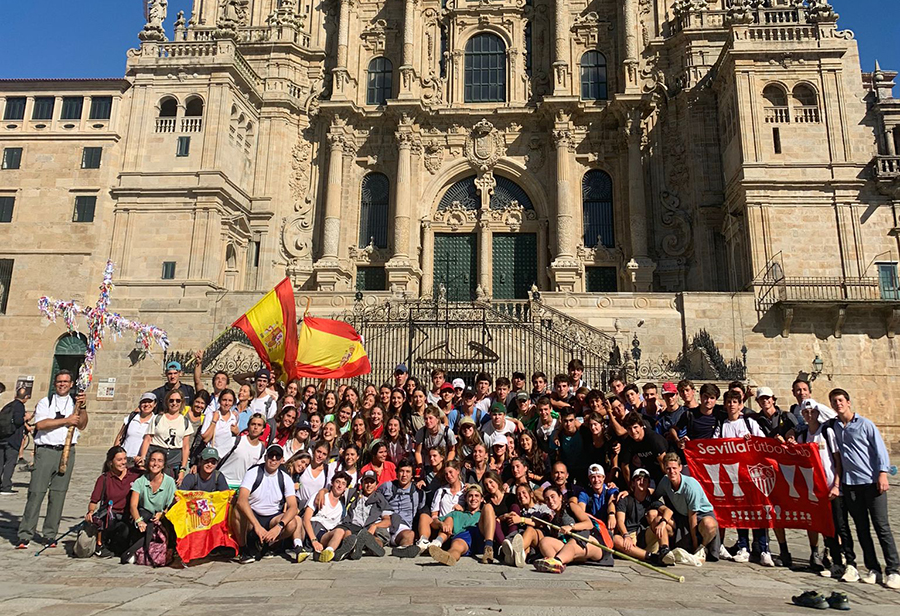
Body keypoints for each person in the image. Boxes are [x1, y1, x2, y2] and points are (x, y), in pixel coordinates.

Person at [830, 388, 900, 588]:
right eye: (834, 401)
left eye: (841, 400)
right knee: (862, 528)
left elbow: (880, 450)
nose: (838, 404)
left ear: (848, 402)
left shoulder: (865, 424)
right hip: (851, 484)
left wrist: (883, 474)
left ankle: (893, 569)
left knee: (882, 526)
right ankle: (873, 569)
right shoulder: (835, 427)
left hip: (871, 482)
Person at [17, 370, 88, 550]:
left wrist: (83, 408)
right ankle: (25, 534)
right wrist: (66, 420)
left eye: (65, 381)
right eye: (59, 381)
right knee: (36, 492)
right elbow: (41, 425)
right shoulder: (45, 402)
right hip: (46, 451)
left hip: (67, 451)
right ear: (55, 383)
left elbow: (82, 424)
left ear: (71, 384)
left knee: (58, 495)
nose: (62, 384)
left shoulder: (75, 403)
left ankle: (50, 535)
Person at [793, 398, 857, 581]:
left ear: (817, 412)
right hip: (817, 490)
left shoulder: (827, 432)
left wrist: (837, 485)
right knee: (826, 527)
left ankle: (850, 563)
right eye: (805, 413)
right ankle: (835, 563)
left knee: (841, 526)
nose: (809, 415)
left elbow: (837, 460)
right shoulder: (803, 436)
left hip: (832, 488)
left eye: (812, 411)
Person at [713, 390, 768, 565]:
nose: (731, 405)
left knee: (756, 511)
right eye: (729, 402)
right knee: (740, 512)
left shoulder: (749, 423)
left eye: (735, 402)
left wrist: (751, 441)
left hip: (751, 475)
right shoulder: (722, 426)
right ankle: (743, 546)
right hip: (733, 476)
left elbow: (763, 442)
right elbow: (713, 447)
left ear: (740, 405)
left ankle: (763, 547)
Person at [749, 385, 798, 567]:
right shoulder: (756, 419)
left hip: (787, 469)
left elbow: (798, 435)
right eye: (762, 399)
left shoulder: (786, 417)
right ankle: (782, 550)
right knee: (772, 510)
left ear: (773, 399)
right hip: (767, 471)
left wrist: (787, 440)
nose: (765, 402)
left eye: (768, 398)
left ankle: (818, 552)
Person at [234, 444, 299, 563]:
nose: (274, 459)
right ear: (265, 457)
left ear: (282, 460)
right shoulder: (253, 472)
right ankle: (243, 549)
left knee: (292, 523)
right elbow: (242, 500)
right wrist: (257, 526)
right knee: (238, 510)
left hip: (273, 518)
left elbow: (293, 507)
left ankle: (270, 544)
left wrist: (279, 527)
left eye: (277, 456)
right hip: (253, 517)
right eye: (271, 455)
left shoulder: (285, 478)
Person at [653, 453, 720, 564]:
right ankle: (664, 550)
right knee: (657, 518)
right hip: (681, 515)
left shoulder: (690, 486)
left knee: (709, 524)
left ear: (680, 468)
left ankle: (701, 547)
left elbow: (692, 517)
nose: (671, 472)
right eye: (668, 468)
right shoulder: (664, 481)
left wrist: (695, 544)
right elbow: (655, 497)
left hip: (699, 514)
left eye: (674, 468)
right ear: (664, 469)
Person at [532, 485, 604, 573]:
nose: (550, 501)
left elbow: (589, 524)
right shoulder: (554, 519)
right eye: (547, 499)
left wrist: (571, 527)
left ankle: (558, 560)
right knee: (545, 542)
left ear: (560, 497)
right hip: (570, 547)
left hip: (588, 541)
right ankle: (557, 564)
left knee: (573, 542)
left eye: (552, 497)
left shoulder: (571, 506)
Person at [324, 469, 392, 561]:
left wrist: (375, 526)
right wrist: (322, 491)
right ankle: (351, 548)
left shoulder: (380, 499)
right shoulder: (352, 493)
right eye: (366, 482)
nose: (369, 485)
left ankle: (372, 547)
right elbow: (335, 489)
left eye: (371, 482)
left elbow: (387, 521)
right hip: (352, 525)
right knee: (347, 532)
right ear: (362, 483)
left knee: (376, 539)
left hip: (368, 529)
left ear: (376, 484)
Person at [85, 446, 139, 557]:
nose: (123, 462)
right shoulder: (104, 479)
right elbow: (94, 500)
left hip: (127, 515)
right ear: (111, 462)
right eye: (119, 460)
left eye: (125, 459)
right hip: (109, 515)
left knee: (124, 532)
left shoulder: (134, 476)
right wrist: (90, 512)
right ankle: (100, 544)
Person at [124, 449, 176, 562]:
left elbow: (172, 504)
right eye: (153, 460)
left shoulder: (170, 482)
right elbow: (133, 505)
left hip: (163, 518)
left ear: (163, 465)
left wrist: (162, 514)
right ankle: (141, 551)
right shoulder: (140, 481)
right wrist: (139, 521)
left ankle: (136, 551)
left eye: (159, 461)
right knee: (144, 521)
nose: (156, 464)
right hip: (145, 517)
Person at [612, 468, 669, 565]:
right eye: (638, 479)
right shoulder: (625, 499)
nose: (642, 482)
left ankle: (665, 551)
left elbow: (668, 511)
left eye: (645, 480)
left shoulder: (651, 500)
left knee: (659, 519)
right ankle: (650, 557)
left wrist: (663, 522)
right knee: (616, 539)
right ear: (633, 483)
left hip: (645, 534)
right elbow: (620, 520)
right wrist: (626, 535)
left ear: (648, 484)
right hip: (630, 536)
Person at [138, 389, 193, 483]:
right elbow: (147, 439)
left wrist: (183, 469)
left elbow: (185, 446)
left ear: (182, 402)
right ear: (167, 402)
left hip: (174, 462)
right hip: (155, 459)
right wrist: (142, 458)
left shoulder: (185, 422)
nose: (174, 403)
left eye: (178, 400)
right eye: (171, 400)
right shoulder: (157, 418)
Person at [296, 470, 352, 562]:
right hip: (310, 528)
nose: (339, 486)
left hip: (324, 533)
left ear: (345, 488)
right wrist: (314, 541)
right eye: (337, 482)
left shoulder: (341, 508)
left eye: (343, 484)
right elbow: (306, 519)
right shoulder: (320, 497)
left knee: (340, 531)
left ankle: (328, 552)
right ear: (332, 483)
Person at [427, 483, 486, 566]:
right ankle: (448, 557)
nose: (473, 498)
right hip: (463, 538)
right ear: (465, 499)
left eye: (477, 496)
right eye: (470, 496)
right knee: (457, 546)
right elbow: (433, 523)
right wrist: (441, 523)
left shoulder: (484, 514)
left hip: (480, 535)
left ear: (482, 499)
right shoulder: (457, 514)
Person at [378, 459, 424, 558]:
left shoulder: (418, 491)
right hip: (386, 522)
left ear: (412, 475)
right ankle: (375, 548)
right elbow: (375, 499)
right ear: (397, 472)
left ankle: (403, 549)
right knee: (376, 539)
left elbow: (422, 508)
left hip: (402, 527)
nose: (404, 475)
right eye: (401, 471)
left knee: (410, 535)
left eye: (408, 472)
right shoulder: (387, 486)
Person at [416, 460, 465, 552]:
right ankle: (423, 542)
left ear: (457, 471)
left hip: (456, 523)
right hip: (440, 523)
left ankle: (437, 544)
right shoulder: (441, 491)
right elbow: (434, 515)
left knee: (450, 519)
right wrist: (439, 523)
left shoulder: (465, 491)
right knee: (424, 516)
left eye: (451, 472)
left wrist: (462, 509)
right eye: (446, 474)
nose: (449, 476)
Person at [218, 413, 266, 489]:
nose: (256, 427)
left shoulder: (262, 451)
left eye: (259, 425)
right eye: (253, 424)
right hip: (224, 482)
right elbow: (217, 455)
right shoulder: (236, 440)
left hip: (242, 487)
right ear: (248, 426)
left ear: (263, 429)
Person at [621, 412, 667, 485]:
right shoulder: (628, 442)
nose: (633, 431)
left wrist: (668, 484)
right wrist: (630, 485)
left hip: (664, 469)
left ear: (642, 426)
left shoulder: (653, 439)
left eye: (635, 427)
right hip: (649, 471)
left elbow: (664, 463)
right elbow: (625, 466)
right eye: (629, 429)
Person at [0, 386, 30, 495]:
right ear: (26, 397)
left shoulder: (9, 405)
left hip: (2, 437)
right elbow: (18, 421)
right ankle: (6, 486)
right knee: (10, 463)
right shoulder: (19, 406)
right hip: (12, 439)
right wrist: (26, 418)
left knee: (1, 462)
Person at [114, 392, 156, 466]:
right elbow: (120, 435)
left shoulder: (156, 421)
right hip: (124, 458)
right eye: (144, 402)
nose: (146, 404)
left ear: (155, 404)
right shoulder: (132, 417)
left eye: (149, 402)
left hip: (140, 461)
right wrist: (114, 454)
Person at [575, 463, 619, 532]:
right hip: (593, 528)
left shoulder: (610, 489)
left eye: (599, 476)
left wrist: (611, 514)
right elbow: (581, 508)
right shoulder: (585, 493)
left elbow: (612, 501)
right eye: (593, 477)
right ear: (589, 478)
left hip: (609, 526)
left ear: (604, 477)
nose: (596, 480)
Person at [199, 388, 238, 458]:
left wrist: (237, 432)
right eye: (224, 400)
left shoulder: (233, 418)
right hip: (213, 456)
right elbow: (205, 439)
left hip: (227, 457)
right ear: (219, 401)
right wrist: (214, 421)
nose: (227, 403)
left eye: (230, 401)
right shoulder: (211, 415)